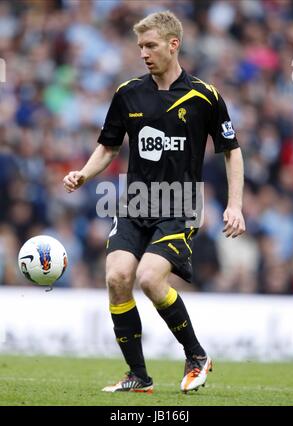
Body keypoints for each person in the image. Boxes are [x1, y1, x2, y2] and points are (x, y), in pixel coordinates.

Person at [63, 10, 245, 394]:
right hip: (135, 203)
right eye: (140, 46)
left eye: (151, 45)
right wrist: (84, 173)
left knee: (148, 277)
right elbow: (108, 146)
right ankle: (138, 376)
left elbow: (232, 151)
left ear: (173, 44)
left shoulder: (204, 96)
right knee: (116, 277)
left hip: (180, 206)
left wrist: (235, 205)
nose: (143, 52)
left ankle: (196, 355)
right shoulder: (128, 92)